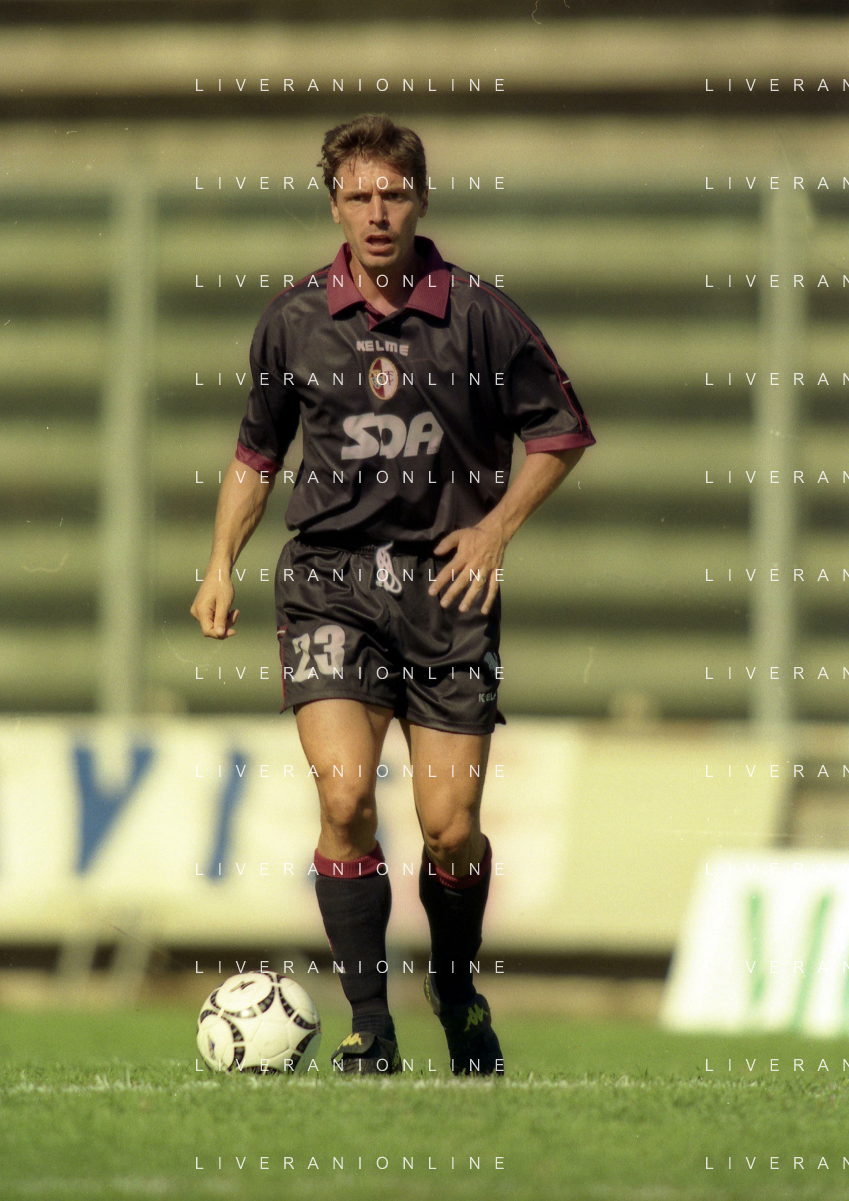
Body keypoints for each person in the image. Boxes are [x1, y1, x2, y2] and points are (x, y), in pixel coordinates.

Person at [190, 113, 595, 1077]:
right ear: (333, 205)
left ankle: (454, 987)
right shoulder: (294, 319)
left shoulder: (480, 315)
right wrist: (219, 561)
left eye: (393, 194)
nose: (377, 213)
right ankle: (370, 1027)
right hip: (329, 585)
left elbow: (560, 433)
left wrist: (494, 528)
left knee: (450, 830)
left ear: (420, 200)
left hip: (445, 591)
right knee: (343, 798)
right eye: (358, 195)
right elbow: (256, 453)